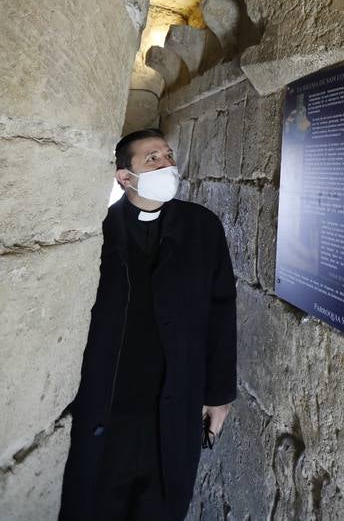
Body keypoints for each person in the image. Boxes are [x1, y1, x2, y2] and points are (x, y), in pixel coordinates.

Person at [59, 129, 237, 521]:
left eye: (168, 155)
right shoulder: (98, 230)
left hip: (173, 408)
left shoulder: (202, 227)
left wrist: (219, 394)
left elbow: (221, 310)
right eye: (152, 158)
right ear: (124, 177)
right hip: (107, 410)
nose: (168, 164)